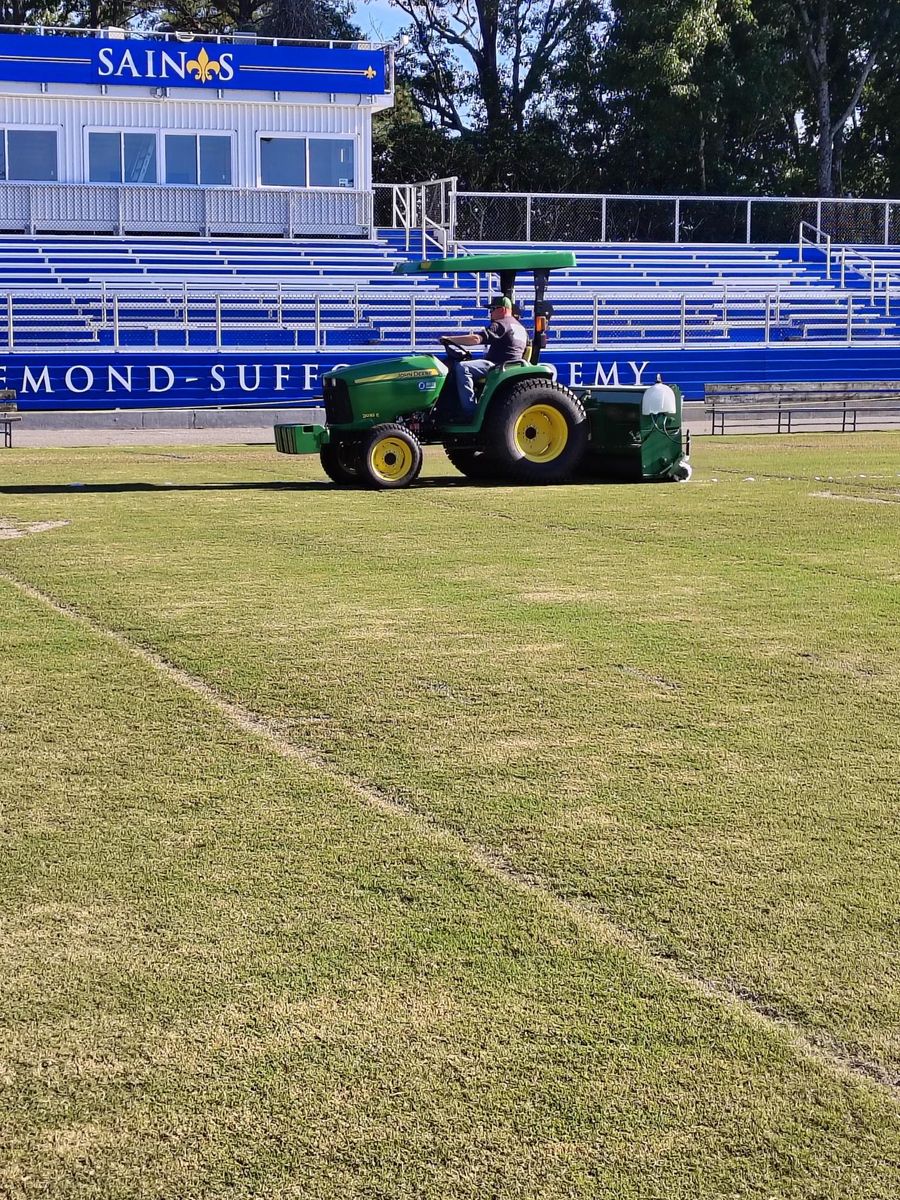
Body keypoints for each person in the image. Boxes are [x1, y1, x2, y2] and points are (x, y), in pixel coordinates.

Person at [441, 295, 528, 420]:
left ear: (503, 310)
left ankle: (470, 412)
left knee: (462, 367)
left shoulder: (501, 324)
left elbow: (476, 339)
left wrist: (449, 339)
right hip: (512, 366)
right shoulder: (521, 328)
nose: (490, 313)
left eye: (492, 309)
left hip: (498, 366)